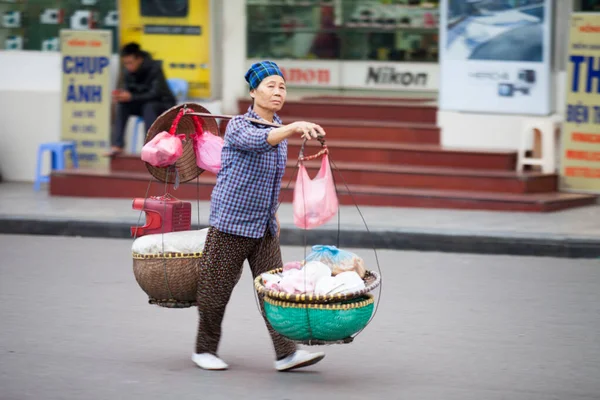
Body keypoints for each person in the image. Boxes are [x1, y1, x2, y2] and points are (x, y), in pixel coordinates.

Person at [192, 60, 328, 372]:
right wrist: (292, 128)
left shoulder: (278, 131)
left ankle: (286, 353)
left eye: (282, 87)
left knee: (275, 291)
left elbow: (269, 179)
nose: (278, 91)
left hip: (263, 226)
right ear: (253, 92)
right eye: (270, 85)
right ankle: (204, 349)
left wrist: (273, 213)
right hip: (231, 223)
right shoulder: (240, 126)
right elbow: (257, 142)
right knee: (215, 291)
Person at [106, 42, 176, 156]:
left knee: (149, 106)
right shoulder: (127, 72)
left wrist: (132, 97)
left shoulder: (155, 68)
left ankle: (150, 145)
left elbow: (156, 93)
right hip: (142, 103)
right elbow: (129, 91)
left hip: (162, 103)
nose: (128, 66)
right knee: (123, 105)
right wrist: (122, 95)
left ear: (139, 59)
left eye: (130, 63)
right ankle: (117, 145)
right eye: (125, 64)